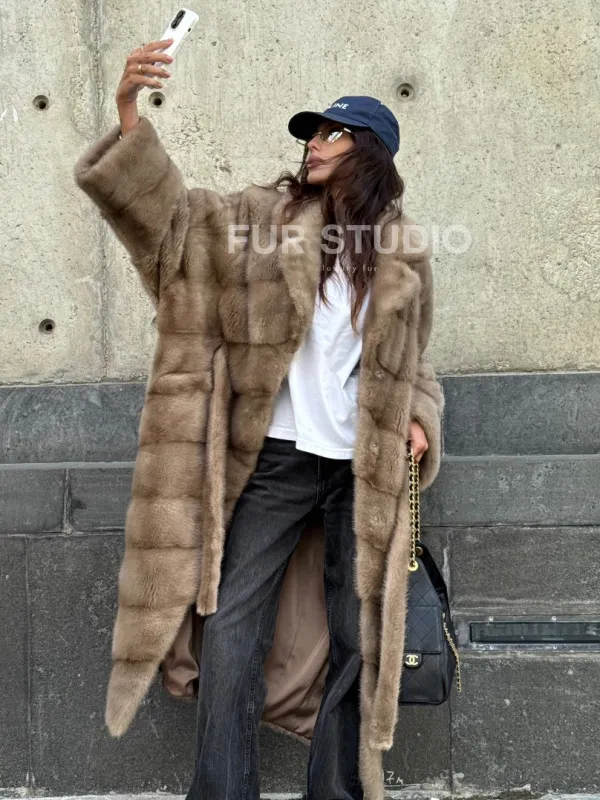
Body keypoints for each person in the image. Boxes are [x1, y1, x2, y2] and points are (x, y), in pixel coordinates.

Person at [74, 38, 444, 800]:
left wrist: (419, 418)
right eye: (312, 133)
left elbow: (415, 360)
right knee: (233, 623)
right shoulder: (260, 221)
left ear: (371, 153)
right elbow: (173, 225)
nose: (314, 143)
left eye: (333, 133)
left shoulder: (401, 250)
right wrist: (128, 112)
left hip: (362, 467)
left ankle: (336, 790)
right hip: (274, 457)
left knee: (358, 637)